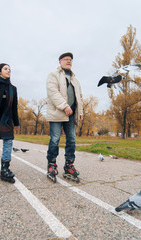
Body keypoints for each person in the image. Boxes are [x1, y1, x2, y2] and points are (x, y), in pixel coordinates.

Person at [46, 52, 83, 182]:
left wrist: (80, 112)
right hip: (58, 113)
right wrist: (64, 106)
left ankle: (69, 165)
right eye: (66, 59)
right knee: (55, 139)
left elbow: (80, 97)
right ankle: (51, 164)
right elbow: (53, 93)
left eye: (71, 60)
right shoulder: (53, 75)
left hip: (71, 114)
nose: (69, 61)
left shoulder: (75, 80)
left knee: (72, 140)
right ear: (60, 62)